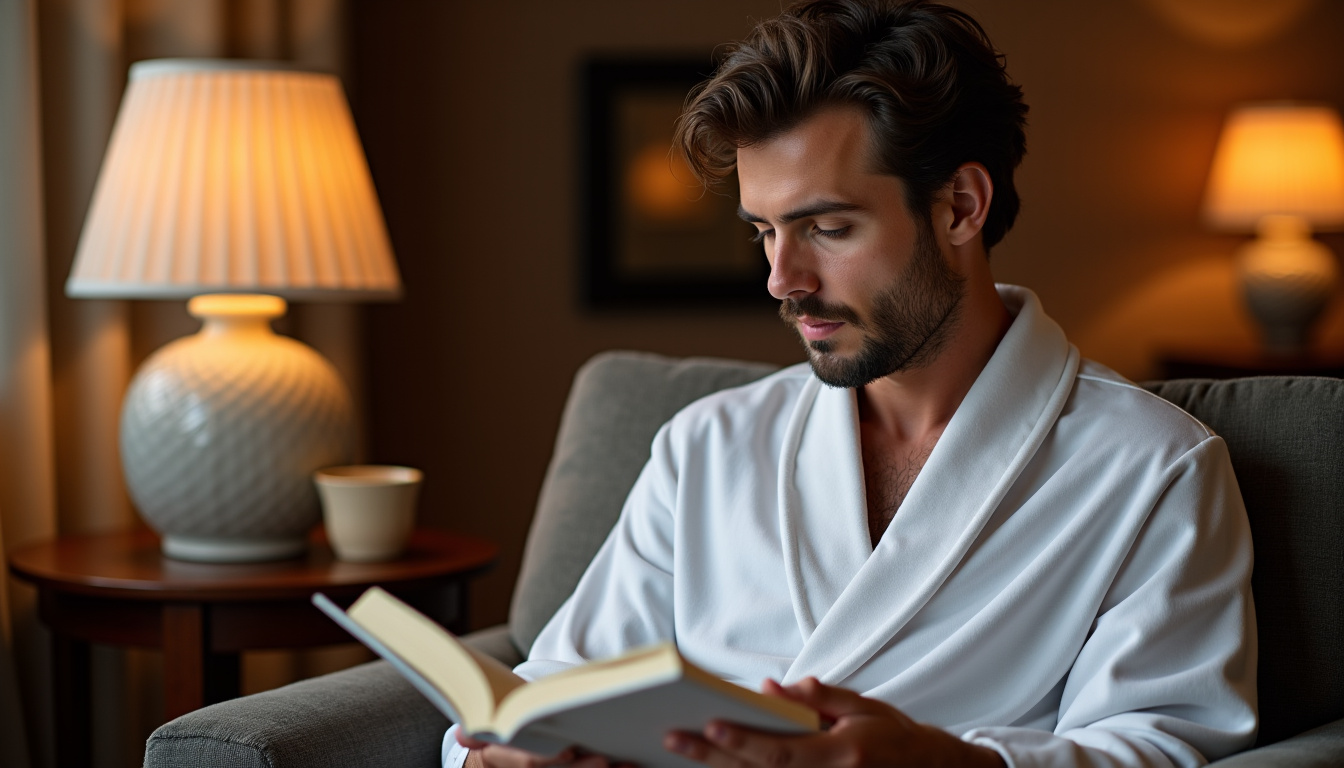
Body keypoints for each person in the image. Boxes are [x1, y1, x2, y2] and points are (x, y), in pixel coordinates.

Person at [446, 1, 1257, 766]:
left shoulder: (1151, 467)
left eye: (827, 228)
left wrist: (953, 764)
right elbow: (555, 680)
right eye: (765, 232)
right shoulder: (707, 445)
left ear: (961, 207)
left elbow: (1165, 742)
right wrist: (504, 751)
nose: (781, 279)